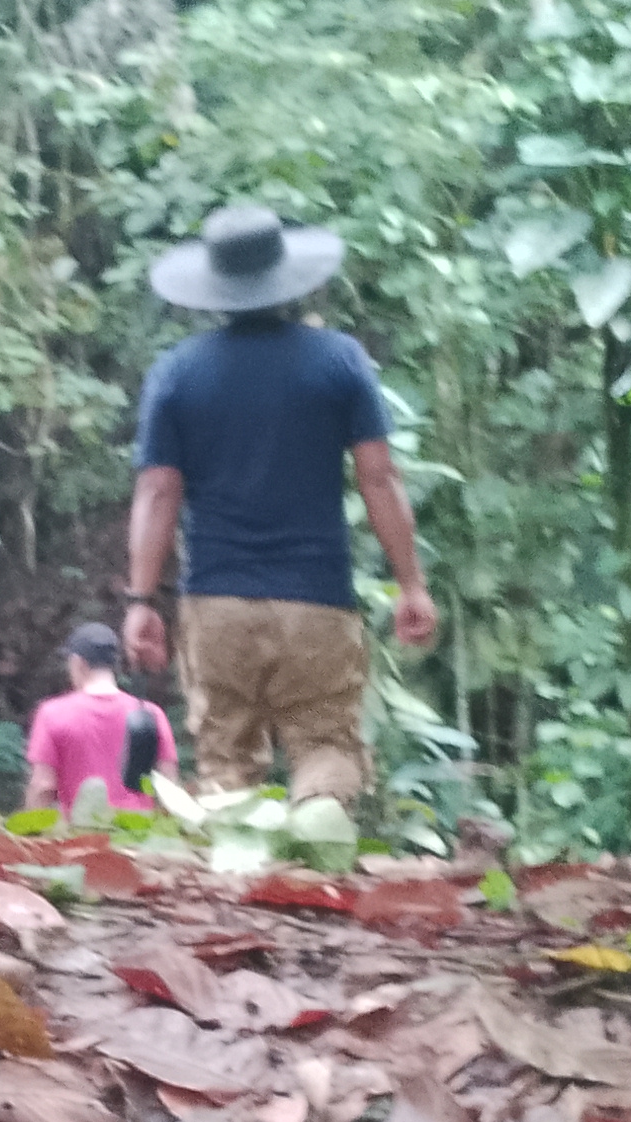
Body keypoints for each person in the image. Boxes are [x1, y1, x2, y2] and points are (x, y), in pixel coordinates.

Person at [116, 203, 436, 805]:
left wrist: (140, 600)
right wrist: (411, 585)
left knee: (225, 764)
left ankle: (229, 860)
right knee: (327, 749)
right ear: (287, 279)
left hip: (217, 604)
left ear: (214, 288)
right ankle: (318, 847)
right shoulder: (339, 360)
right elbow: (379, 478)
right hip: (316, 600)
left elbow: (157, 492)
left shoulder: (177, 373)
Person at [21, 622, 178, 815]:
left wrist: (31, 828)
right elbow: (170, 787)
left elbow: (43, 786)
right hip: (139, 830)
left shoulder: (52, 713)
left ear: (78, 663)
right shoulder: (151, 713)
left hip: (82, 832)